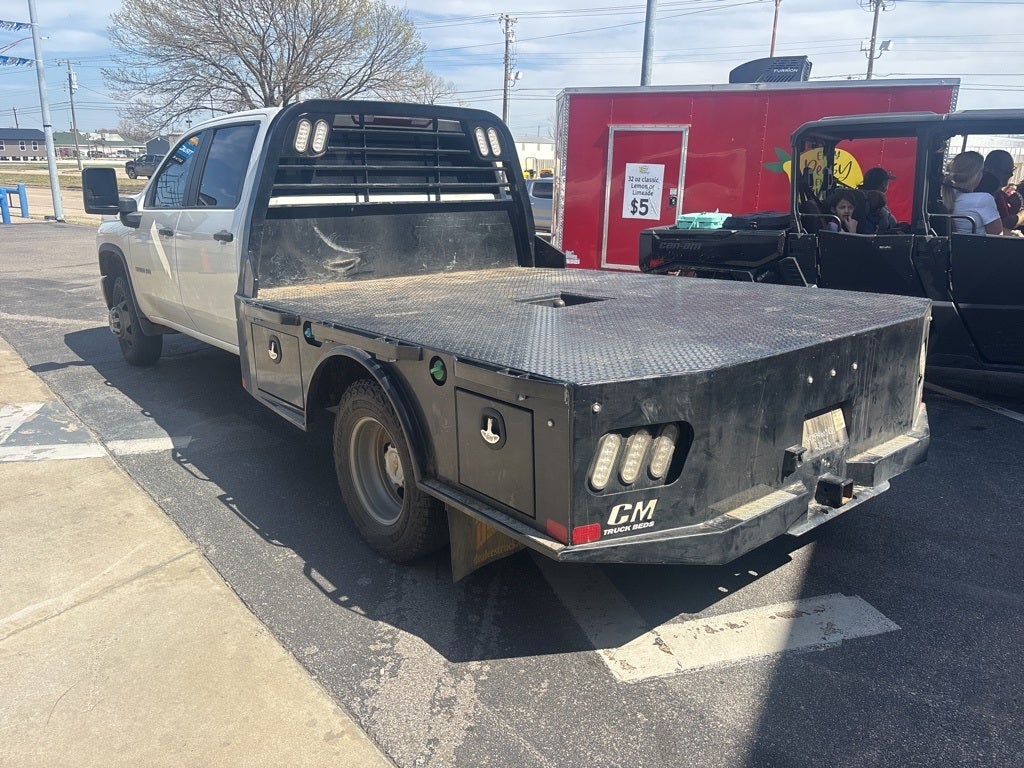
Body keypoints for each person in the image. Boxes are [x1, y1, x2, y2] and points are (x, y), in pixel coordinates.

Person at [940, 151, 1002, 235]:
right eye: (981, 171)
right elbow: (997, 234)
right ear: (976, 174)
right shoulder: (983, 199)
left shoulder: (947, 196)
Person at [982, 150, 1024, 232]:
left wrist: (1015, 208)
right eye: (1008, 171)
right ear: (990, 169)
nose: (1011, 174)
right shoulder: (990, 194)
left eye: (1013, 170)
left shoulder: (999, 193)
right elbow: (1005, 223)